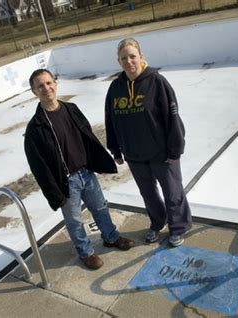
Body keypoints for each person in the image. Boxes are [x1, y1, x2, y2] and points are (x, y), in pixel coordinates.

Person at [24, 69, 135, 270]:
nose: (46, 88)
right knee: (74, 220)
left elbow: (87, 136)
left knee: (100, 207)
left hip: (86, 172)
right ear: (34, 91)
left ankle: (111, 237)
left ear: (55, 84)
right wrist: (54, 194)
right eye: (40, 86)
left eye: (49, 83)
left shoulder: (71, 109)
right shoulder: (36, 128)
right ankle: (86, 252)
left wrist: (97, 161)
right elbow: (38, 166)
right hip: (66, 182)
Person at [105, 38, 192, 247]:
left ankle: (179, 226)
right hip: (134, 154)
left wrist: (175, 149)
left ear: (141, 57)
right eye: (124, 58)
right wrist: (116, 150)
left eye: (132, 56)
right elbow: (111, 120)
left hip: (162, 153)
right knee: (148, 194)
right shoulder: (115, 88)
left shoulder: (157, 82)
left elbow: (172, 118)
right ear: (119, 61)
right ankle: (157, 221)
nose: (129, 61)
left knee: (172, 192)